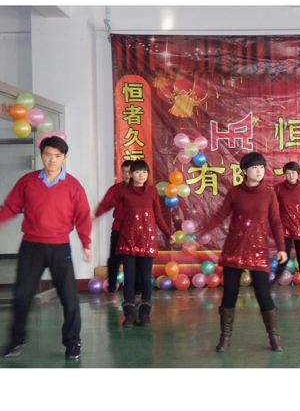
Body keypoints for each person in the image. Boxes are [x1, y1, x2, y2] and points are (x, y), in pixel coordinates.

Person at [0, 136, 92, 360]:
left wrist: (86, 244)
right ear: (41, 155)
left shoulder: (73, 186)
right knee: (22, 295)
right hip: (31, 247)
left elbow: (83, 216)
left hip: (59, 248)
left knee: (69, 298)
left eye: (57, 156)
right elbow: (11, 206)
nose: (52, 160)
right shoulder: (27, 181)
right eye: (48, 154)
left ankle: (73, 342)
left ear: (64, 158)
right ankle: (16, 339)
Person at [196, 152, 287, 352]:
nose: (259, 171)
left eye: (261, 167)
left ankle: (274, 338)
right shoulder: (234, 192)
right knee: (230, 293)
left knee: (263, 294)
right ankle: (225, 338)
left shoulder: (269, 194)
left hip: (258, 251)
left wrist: (282, 248)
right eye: (254, 167)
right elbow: (219, 215)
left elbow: (275, 222)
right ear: (244, 171)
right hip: (234, 249)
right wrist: (201, 232)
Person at [94, 160, 175, 328]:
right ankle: (129, 313)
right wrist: (94, 215)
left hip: (147, 241)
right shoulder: (123, 190)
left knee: (145, 277)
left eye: (144, 172)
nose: (141, 175)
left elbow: (158, 216)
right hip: (128, 240)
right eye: (137, 172)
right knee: (129, 277)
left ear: (147, 174)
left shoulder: (152, 191)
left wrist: (168, 234)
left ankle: (145, 313)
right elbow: (109, 204)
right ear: (131, 174)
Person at [96, 160, 142, 294]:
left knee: (136, 259)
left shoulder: (141, 190)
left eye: (129, 172)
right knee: (114, 259)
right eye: (123, 172)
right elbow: (105, 204)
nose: (126, 175)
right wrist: (95, 214)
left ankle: (137, 289)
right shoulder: (115, 189)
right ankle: (111, 286)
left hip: (135, 230)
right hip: (118, 228)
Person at [273, 161, 300, 296]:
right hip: (284, 229)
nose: (291, 176)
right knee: (284, 256)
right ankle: (275, 283)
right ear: (284, 174)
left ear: (298, 174)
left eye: (293, 173)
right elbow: (270, 204)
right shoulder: (278, 188)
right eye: (288, 173)